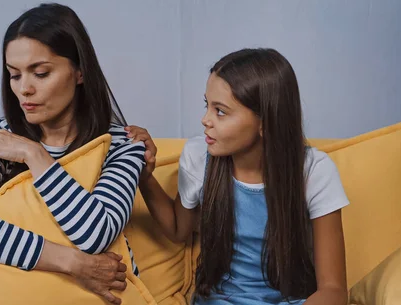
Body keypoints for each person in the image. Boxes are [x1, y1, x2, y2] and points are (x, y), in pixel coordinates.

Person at [0, 3, 146, 305]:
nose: (24, 89)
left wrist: (33, 154)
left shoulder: (122, 144)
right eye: (14, 75)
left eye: (40, 73)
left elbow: (96, 234)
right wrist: (74, 264)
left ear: (79, 71)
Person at [127, 48, 349, 305]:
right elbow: (178, 228)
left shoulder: (314, 172)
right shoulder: (199, 157)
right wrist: (144, 176)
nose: (205, 120)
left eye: (220, 111)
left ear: (266, 121)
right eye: (206, 105)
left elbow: (333, 289)